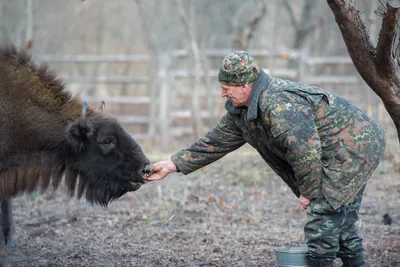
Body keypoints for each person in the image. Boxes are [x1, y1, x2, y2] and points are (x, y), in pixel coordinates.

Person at [145, 51, 386, 267]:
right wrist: (172, 164)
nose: (222, 93)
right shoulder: (240, 110)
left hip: (352, 147)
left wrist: (309, 193)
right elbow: (214, 142)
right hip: (342, 148)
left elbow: (305, 151)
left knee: (322, 218)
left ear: (246, 85)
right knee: (341, 224)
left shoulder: (277, 104)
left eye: (227, 87)